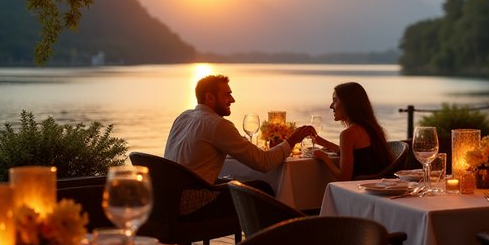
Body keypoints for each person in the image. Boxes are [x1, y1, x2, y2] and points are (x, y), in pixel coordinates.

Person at [164, 75, 315, 184]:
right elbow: (263, 163)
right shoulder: (218, 125)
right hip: (194, 202)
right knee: (262, 189)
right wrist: (293, 140)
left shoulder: (183, 117)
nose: (232, 100)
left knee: (235, 184)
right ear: (209, 97)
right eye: (227, 94)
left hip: (168, 199)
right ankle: (280, 228)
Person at [313, 82, 393, 181]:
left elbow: (344, 178)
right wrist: (321, 142)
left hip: (361, 190)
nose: (331, 106)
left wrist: (324, 158)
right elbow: (356, 154)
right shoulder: (372, 128)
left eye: (335, 100)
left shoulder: (348, 134)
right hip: (380, 186)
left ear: (348, 103)